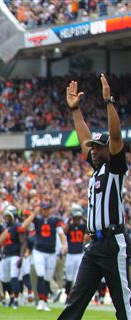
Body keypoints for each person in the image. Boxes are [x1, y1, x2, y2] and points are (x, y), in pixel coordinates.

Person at [59, 75, 131, 320]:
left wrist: (109, 101)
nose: (94, 150)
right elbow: (82, 139)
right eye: (94, 147)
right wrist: (76, 110)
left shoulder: (115, 168)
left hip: (112, 242)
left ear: (109, 151)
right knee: (75, 303)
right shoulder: (98, 168)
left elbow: (117, 137)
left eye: (99, 147)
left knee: (123, 304)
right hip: (94, 245)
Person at [21, 200, 67, 311]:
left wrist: (64, 244)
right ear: (41, 209)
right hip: (39, 251)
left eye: (47, 209)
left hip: (51, 252)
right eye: (44, 209)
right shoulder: (37, 220)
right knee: (40, 274)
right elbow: (24, 226)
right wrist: (33, 214)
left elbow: (61, 233)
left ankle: (44, 301)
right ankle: (40, 301)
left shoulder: (55, 220)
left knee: (47, 277)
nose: (46, 211)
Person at [0, 205, 27, 309]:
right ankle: (12, 297)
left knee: (14, 277)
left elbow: (23, 243)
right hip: (5, 255)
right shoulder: (4, 227)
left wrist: (21, 257)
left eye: (8, 216)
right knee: (4, 279)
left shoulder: (17, 226)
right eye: (6, 216)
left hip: (15, 255)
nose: (6, 218)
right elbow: (0, 242)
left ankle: (17, 300)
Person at [63, 204, 88, 304]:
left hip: (79, 254)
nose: (77, 220)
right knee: (69, 277)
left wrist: (84, 218)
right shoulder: (70, 226)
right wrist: (70, 220)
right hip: (70, 254)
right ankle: (67, 295)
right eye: (76, 218)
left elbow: (89, 229)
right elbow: (64, 231)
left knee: (77, 277)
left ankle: (74, 297)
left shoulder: (82, 226)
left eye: (79, 218)